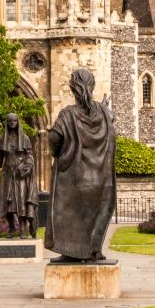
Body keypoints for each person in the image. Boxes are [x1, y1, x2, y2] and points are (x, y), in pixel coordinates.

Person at [44, 68, 116, 262]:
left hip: (74, 177)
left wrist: (56, 152)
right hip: (101, 178)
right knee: (97, 213)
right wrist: (105, 109)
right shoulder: (103, 111)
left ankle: (70, 252)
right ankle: (94, 251)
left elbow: (54, 137)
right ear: (91, 86)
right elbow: (111, 123)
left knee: (69, 214)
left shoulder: (67, 114)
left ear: (73, 88)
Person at [0, 113, 39, 238]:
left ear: (18, 122)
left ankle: (23, 228)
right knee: (7, 204)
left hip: (20, 175)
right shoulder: (2, 139)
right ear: (6, 123)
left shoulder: (25, 138)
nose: (12, 122)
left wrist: (26, 167)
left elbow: (30, 156)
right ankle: (11, 228)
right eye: (10, 121)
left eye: (14, 120)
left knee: (21, 202)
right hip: (7, 174)